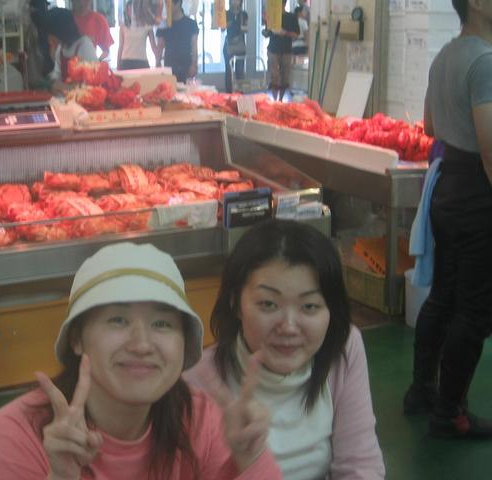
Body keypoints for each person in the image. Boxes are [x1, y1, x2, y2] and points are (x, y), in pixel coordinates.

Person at [0, 242, 284, 480]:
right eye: (117, 320)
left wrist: (252, 456)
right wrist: (60, 476)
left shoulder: (199, 419)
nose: (141, 344)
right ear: (77, 339)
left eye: (162, 324)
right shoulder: (20, 432)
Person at [185, 220, 385, 479]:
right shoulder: (199, 382)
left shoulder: (343, 349)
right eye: (268, 304)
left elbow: (361, 466)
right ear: (235, 303)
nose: (289, 327)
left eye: (309, 306)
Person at [403, 0, 492, 438]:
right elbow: (491, 146)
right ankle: (450, 411)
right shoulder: (485, 60)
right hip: (478, 191)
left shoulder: (445, 56)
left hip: (447, 187)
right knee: (474, 310)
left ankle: (422, 390)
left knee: (444, 295)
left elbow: (430, 124)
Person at [43, 8, 98, 94]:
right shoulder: (61, 49)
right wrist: (53, 82)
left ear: (62, 31)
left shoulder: (84, 46)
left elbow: (94, 80)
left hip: (84, 100)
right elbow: (57, 74)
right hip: (65, 100)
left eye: (52, 38)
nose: (50, 41)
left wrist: (68, 87)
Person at [262, 0, 299, 101]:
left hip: (286, 50)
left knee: (285, 76)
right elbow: (266, 34)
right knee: (274, 75)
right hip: (272, 49)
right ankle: (274, 99)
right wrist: (266, 25)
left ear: (284, 4)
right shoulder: (272, 16)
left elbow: (296, 35)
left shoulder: (291, 17)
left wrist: (285, 33)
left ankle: (281, 99)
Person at [155, 0, 199, 84]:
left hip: (186, 64)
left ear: (178, 3)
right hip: (169, 65)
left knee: (186, 93)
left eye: (169, 4)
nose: (167, 7)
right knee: (169, 91)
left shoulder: (191, 24)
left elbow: (194, 46)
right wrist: (157, 63)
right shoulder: (164, 24)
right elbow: (160, 46)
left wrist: (194, 64)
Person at [118, 0, 157, 70]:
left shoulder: (147, 25)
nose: (131, 12)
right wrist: (118, 64)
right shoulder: (123, 26)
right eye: (128, 10)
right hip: (126, 61)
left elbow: (153, 46)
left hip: (142, 61)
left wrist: (158, 60)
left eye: (132, 9)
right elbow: (120, 46)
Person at [223, 0, 248, 93]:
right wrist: (225, 25)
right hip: (228, 45)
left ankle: (240, 94)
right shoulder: (226, 13)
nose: (235, 2)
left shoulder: (243, 14)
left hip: (240, 45)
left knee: (240, 72)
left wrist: (243, 27)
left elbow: (246, 29)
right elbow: (221, 29)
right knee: (228, 72)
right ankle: (229, 93)